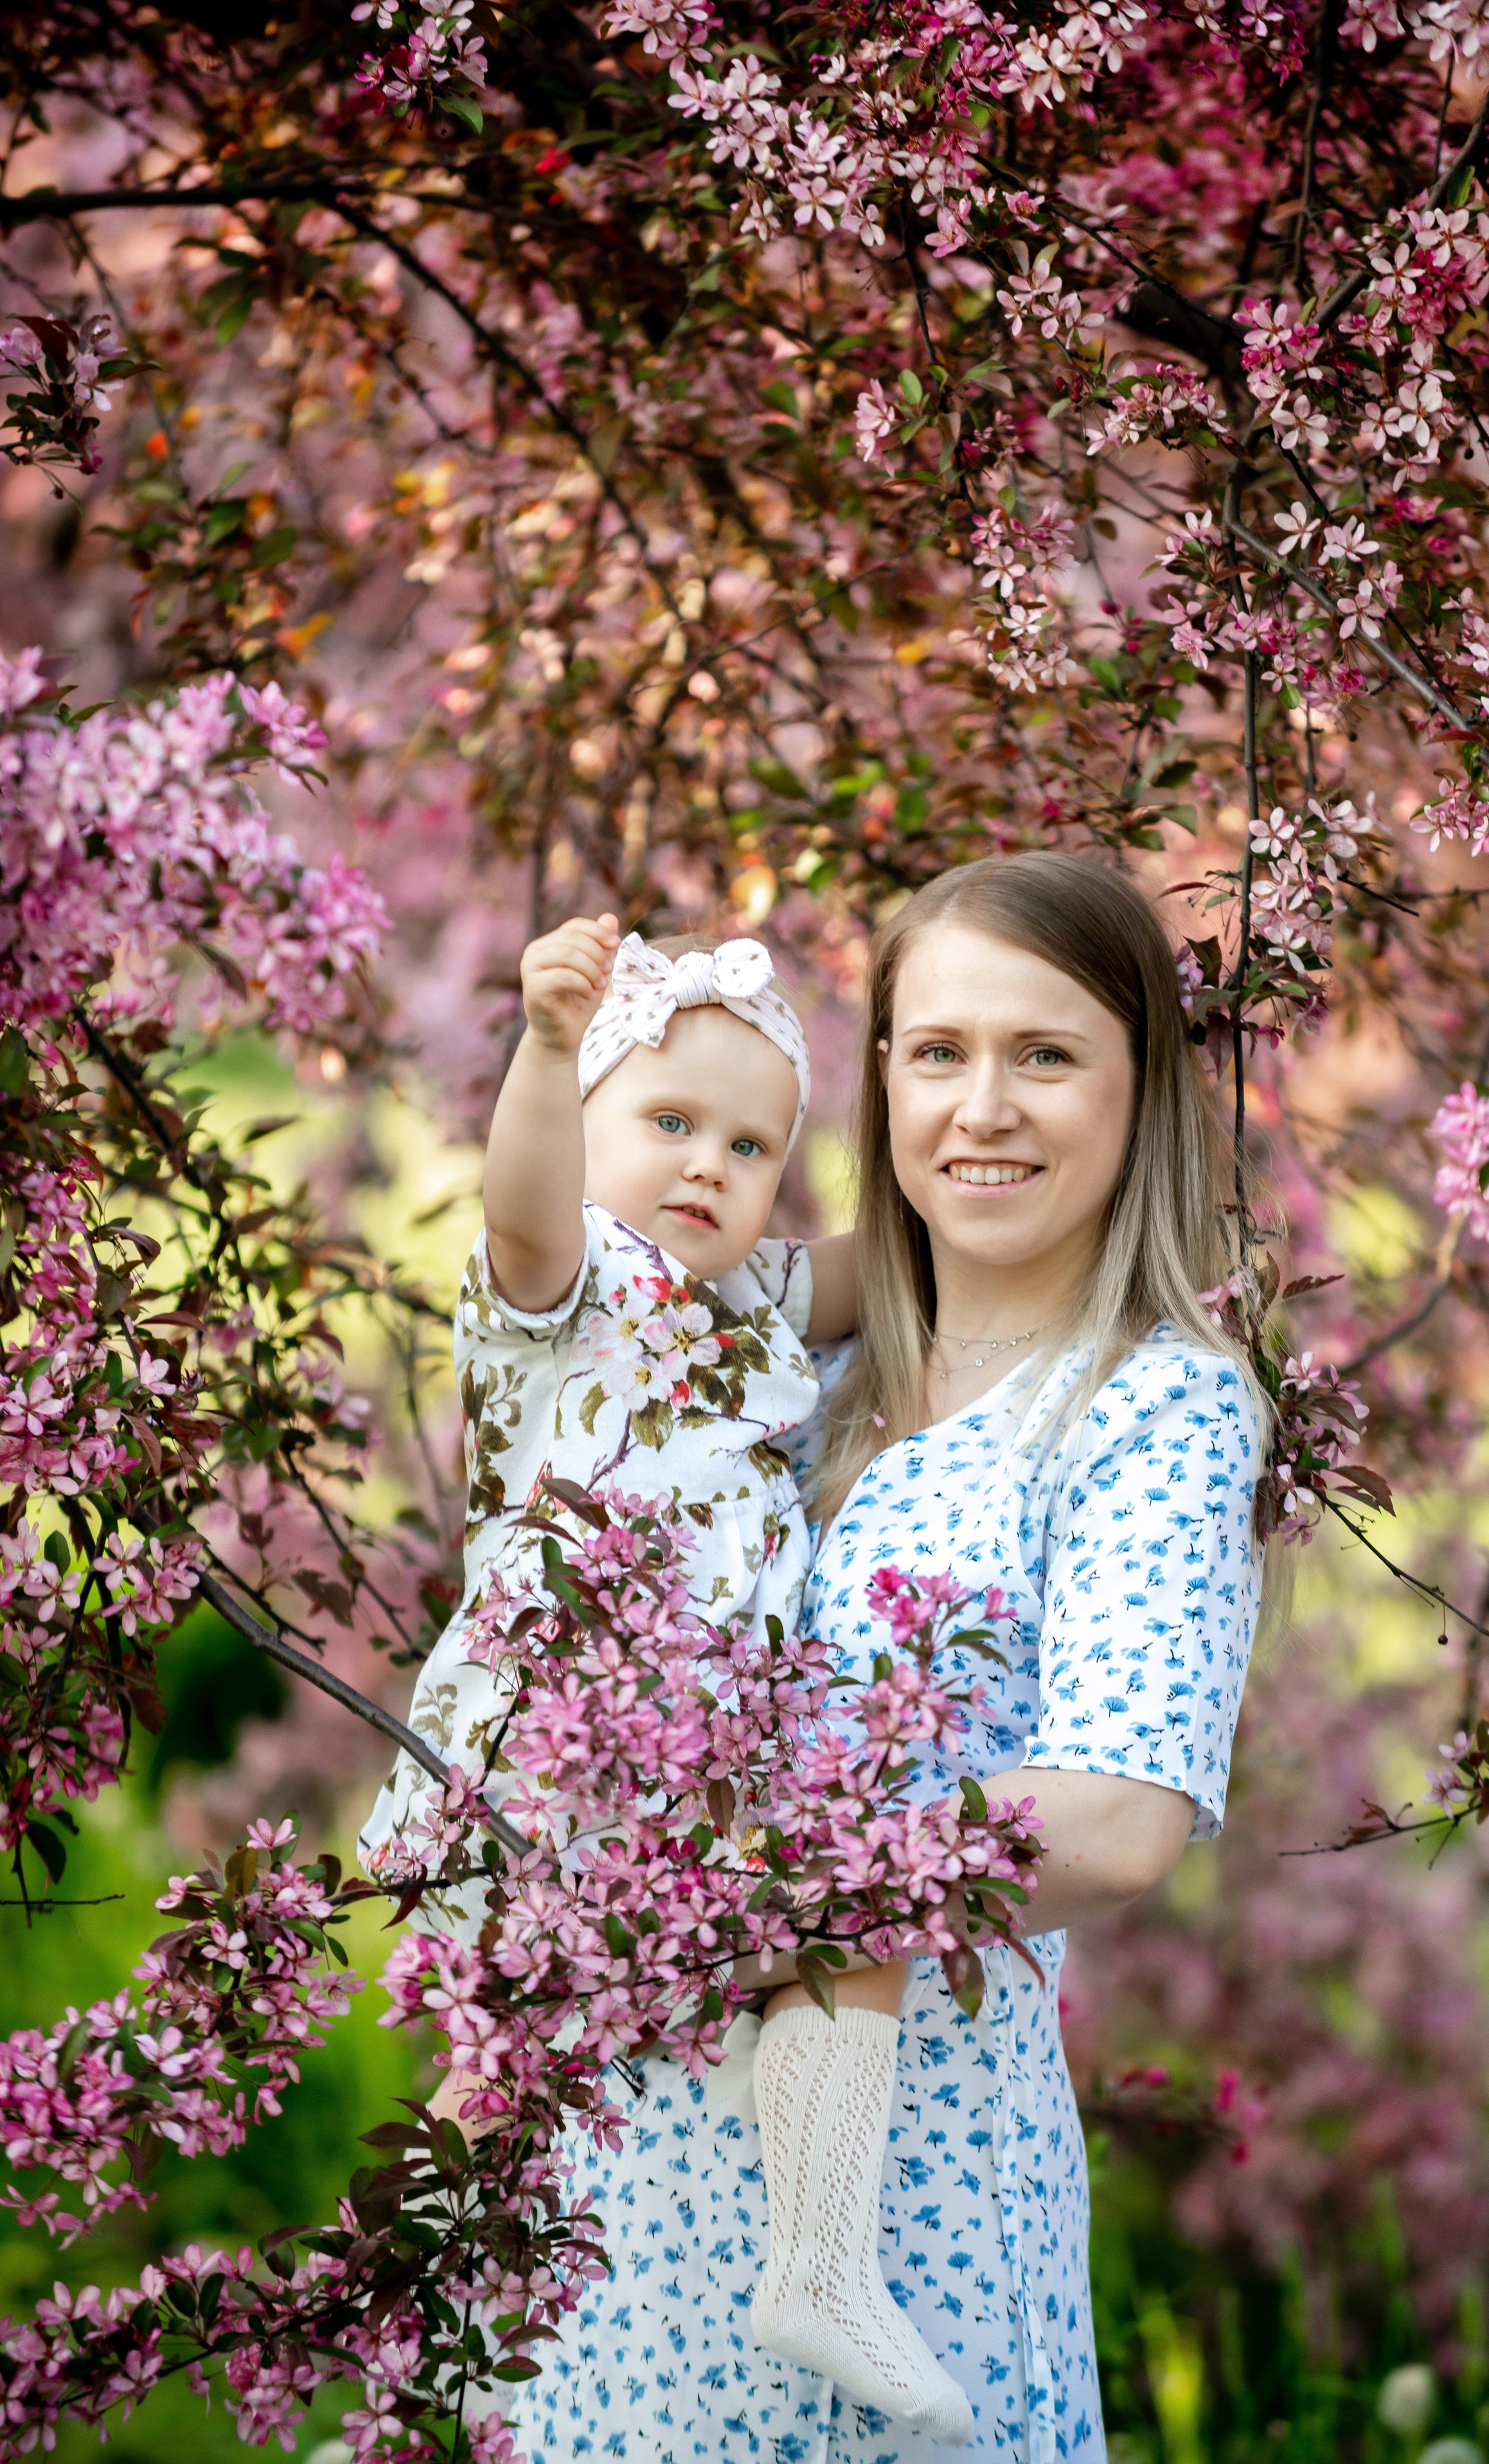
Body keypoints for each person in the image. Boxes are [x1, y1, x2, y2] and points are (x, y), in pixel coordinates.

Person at [510, 849, 1267, 2463]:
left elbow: (1121, 1819)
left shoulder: (1151, 1406)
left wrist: (717, 1890)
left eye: (1044, 1055)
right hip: (628, 2201)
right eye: (938, 1053)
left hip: (901, 2227)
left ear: (1143, 1095)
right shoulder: (805, 1356)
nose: (980, 1107)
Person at [358, 916, 973, 2442]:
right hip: (566, 1733)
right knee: (569, 2014)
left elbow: (895, 1255)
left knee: (819, 1925)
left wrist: (964, 1134)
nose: (707, 1165)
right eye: (668, 1122)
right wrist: (553, 1052)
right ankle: (411, 2303)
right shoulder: (571, 1282)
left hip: (705, 1742)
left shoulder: (747, 1302)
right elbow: (519, 1202)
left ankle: (803, 2265)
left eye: (752, 1146)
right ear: (591, 1135)